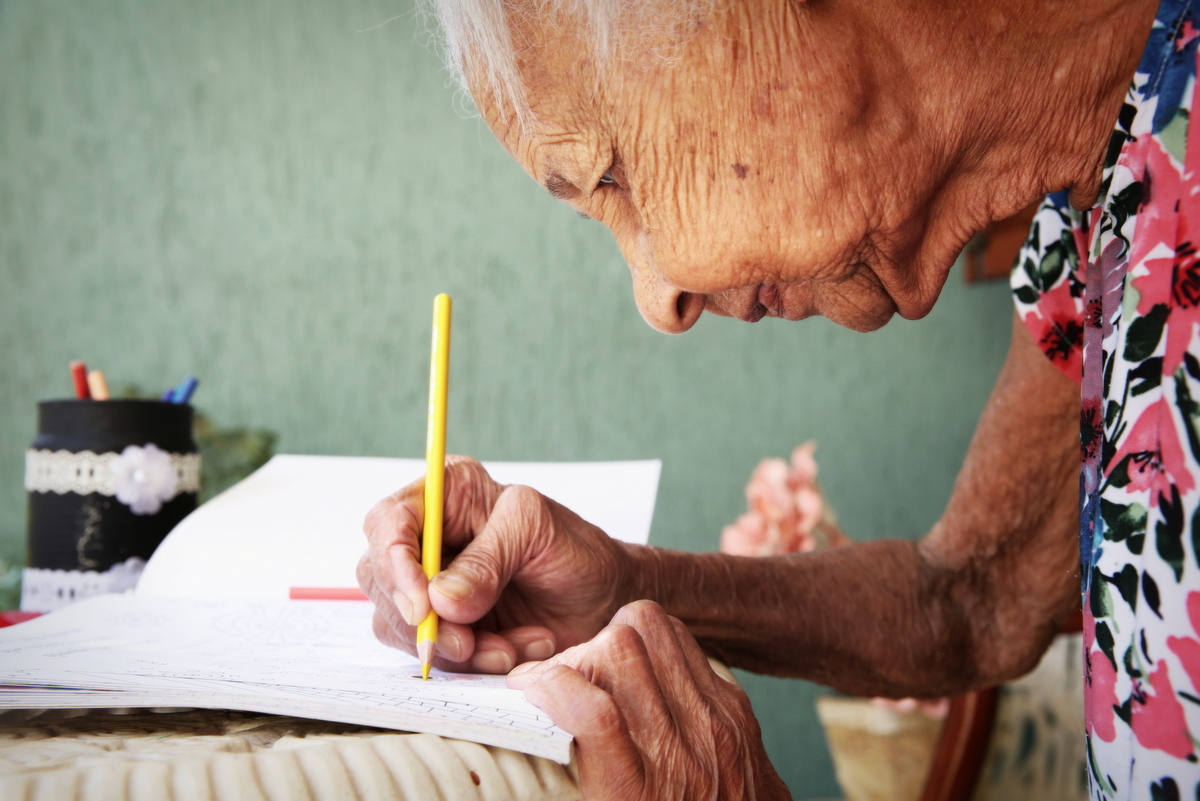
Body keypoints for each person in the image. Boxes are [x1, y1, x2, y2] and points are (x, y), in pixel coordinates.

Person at [356, 0, 1200, 796]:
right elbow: (981, 595)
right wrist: (619, 586)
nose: (662, 300)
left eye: (610, 172)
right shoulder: (1105, 197)